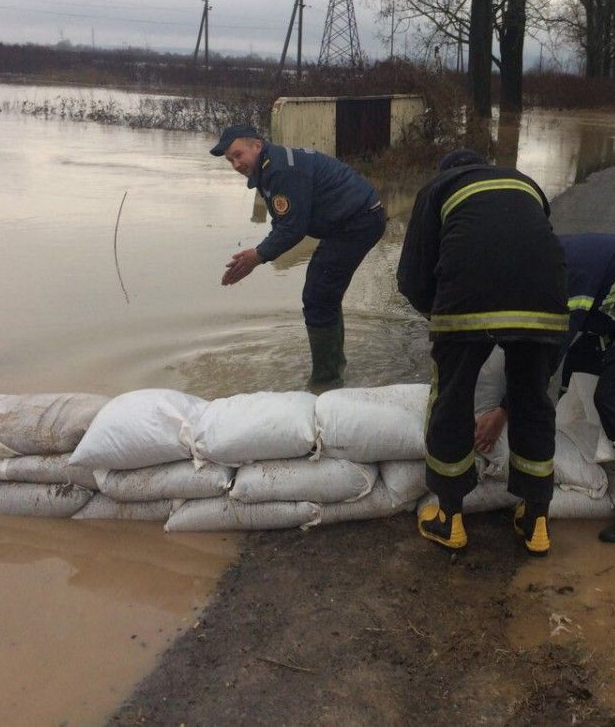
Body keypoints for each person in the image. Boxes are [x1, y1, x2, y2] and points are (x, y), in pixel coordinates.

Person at [397, 149, 568, 555]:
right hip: (546, 300)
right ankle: (535, 519)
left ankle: (450, 518)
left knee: (452, 398)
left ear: (446, 171)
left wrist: (437, 315)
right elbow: (533, 244)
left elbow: (411, 276)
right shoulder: (524, 183)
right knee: (532, 400)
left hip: (468, 300)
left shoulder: (437, 188)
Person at [474, 233, 615, 543]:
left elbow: (545, 357)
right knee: (577, 375)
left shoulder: (564, 282)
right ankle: (586, 449)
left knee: (614, 399)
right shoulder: (541, 268)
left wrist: (502, 411)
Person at [211, 125, 385, 389]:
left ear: (257, 145)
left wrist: (256, 257)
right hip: (347, 222)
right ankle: (333, 368)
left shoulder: (280, 171)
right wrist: (260, 253)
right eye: (230, 160)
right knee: (321, 293)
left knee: (317, 296)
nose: (235, 164)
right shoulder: (271, 166)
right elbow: (286, 222)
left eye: (238, 155)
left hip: (358, 222)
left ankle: (325, 381)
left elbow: (293, 228)